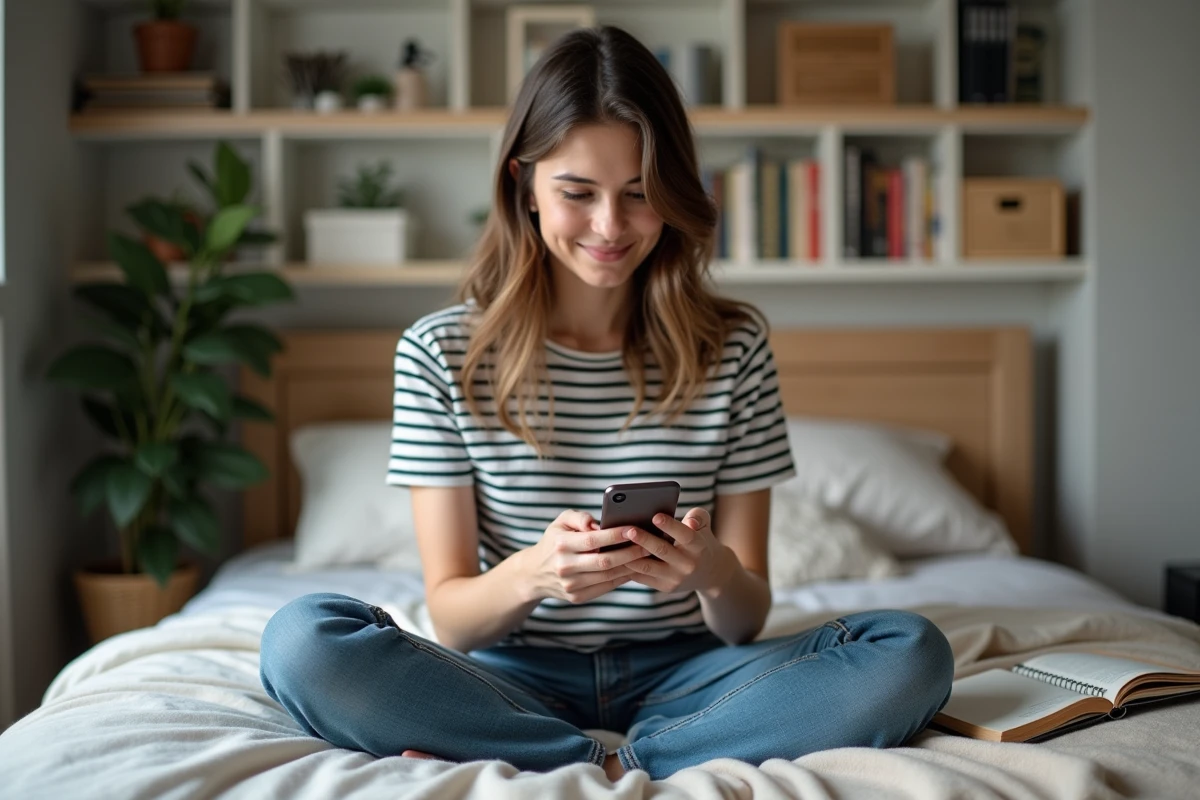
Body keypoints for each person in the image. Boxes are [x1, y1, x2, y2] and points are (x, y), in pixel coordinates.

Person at [259, 25, 955, 782]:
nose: (610, 228)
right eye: (577, 193)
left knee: (911, 651)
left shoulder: (735, 347)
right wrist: (534, 574)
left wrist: (710, 572)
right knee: (304, 640)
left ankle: (616, 756)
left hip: (691, 673)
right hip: (506, 676)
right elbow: (453, 617)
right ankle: (622, 757)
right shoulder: (440, 353)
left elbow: (746, 614)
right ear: (524, 183)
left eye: (638, 195)